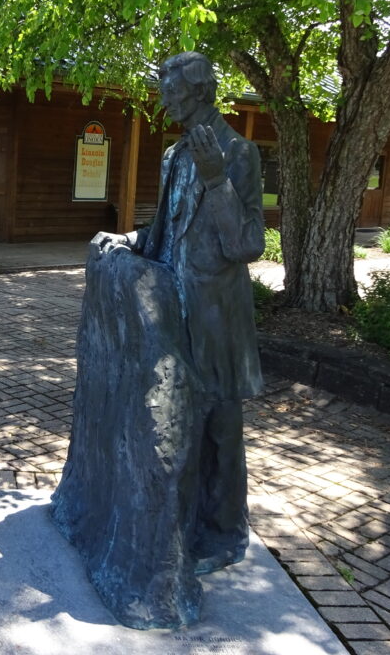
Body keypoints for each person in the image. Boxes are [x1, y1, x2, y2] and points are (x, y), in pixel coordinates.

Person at [99, 51, 265, 573]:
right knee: (179, 422)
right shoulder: (173, 156)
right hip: (173, 310)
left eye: (171, 92)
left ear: (198, 92)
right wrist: (125, 240)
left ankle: (222, 534)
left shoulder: (239, 153)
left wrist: (217, 180)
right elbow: (163, 233)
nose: (164, 100)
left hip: (216, 315)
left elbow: (246, 245)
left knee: (220, 426)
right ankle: (180, 524)